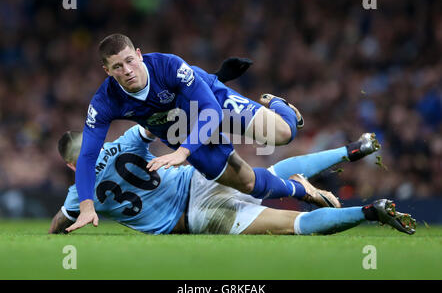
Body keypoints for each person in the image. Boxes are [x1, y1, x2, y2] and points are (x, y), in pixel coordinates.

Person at [69, 33, 327, 233]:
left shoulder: (168, 65)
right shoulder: (105, 101)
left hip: (211, 102)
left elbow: (211, 110)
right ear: (107, 71)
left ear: (139, 54)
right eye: (116, 67)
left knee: (282, 134)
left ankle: (282, 106)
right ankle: (301, 188)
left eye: (129, 61)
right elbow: (88, 156)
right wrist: (87, 206)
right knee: (248, 184)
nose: (126, 70)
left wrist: (184, 152)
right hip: (179, 130)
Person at [50, 125, 416, 236]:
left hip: (196, 217)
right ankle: (351, 150)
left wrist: (56, 231)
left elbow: (59, 224)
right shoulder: (126, 139)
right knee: (271, 175)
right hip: (200, 177)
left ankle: (371, 211)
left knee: (293, 225)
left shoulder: (78, 193)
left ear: (71, 165)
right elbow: (157, 119)